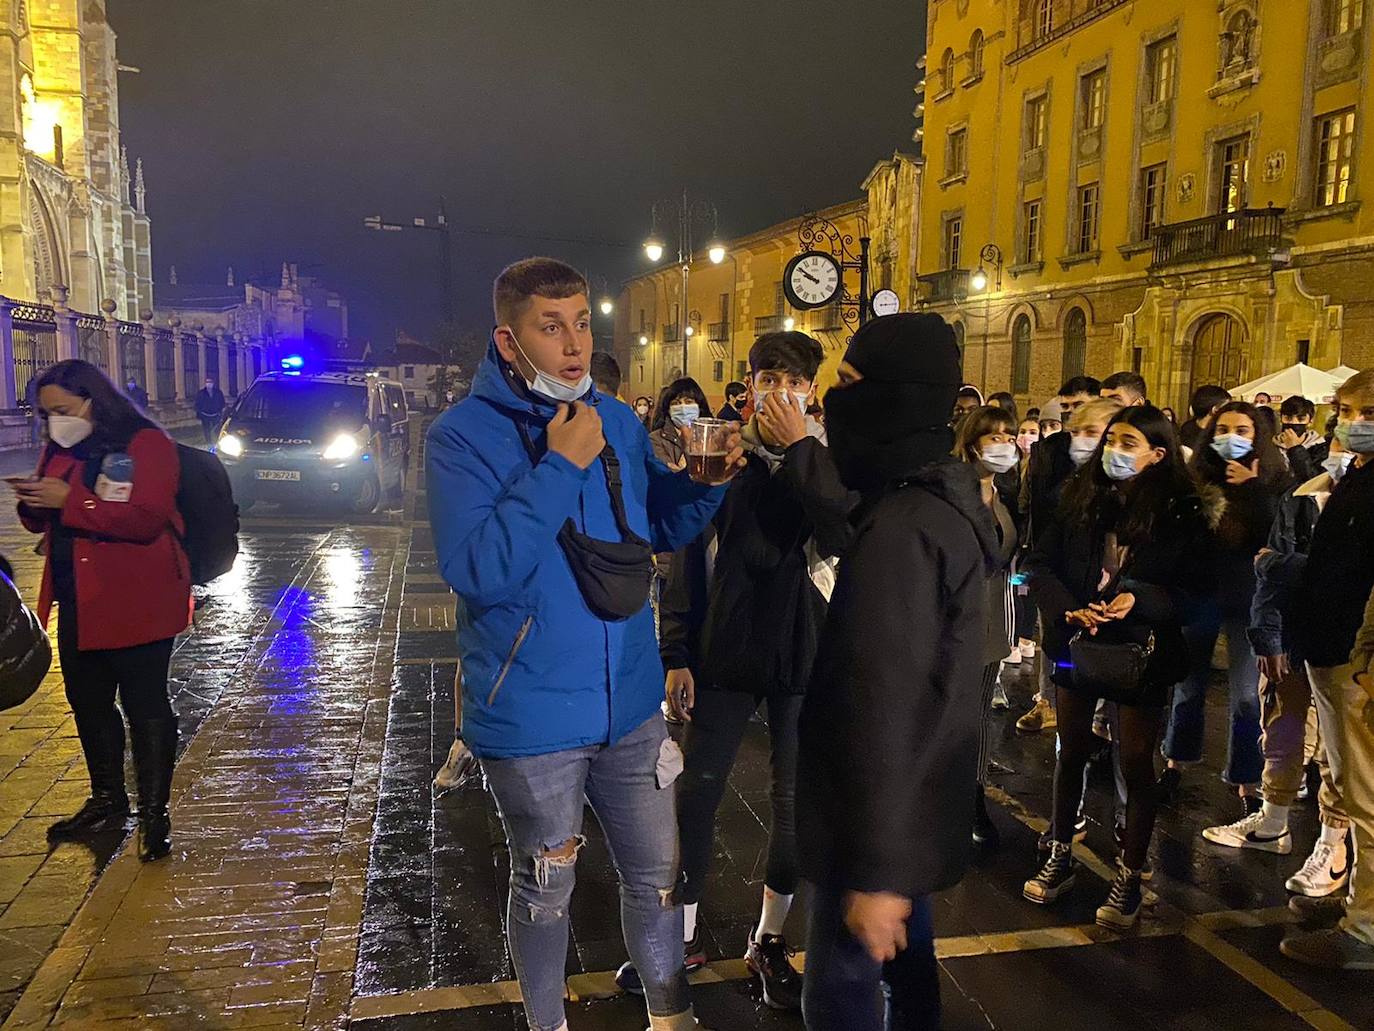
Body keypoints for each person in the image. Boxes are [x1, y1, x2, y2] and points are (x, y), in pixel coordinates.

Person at [426, 258, 741, 1031]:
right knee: (545, 886)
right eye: (550, 326)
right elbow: (479, 568)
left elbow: (656, 529)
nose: (572, 345)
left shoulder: (618, 420)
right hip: (531, 715)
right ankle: (547, 1024)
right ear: (509, 339)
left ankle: (670, 1015)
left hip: (632, 706)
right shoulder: (459, 437)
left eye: (581, 325)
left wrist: (706, 483)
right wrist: (559, 466)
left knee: (657, 876)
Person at [621, 331, 852, 1011]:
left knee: (791, 804)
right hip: (725, 651)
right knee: (696, 794)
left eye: (792, 379)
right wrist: (675, 653)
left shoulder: (827, 463)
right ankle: (681, 937)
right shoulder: (723, 453)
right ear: (748, 385)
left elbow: (843, 531)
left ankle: (770, 940)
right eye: (765, 377)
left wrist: (802, 453)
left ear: (810, 391)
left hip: (803, 657)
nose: (777, 390)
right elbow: (685, 556)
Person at [798, 313, 997, 1031]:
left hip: (873, 831)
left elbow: (884, 702)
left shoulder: (905, 529)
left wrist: (878, 872)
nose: (831, 400)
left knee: (842, 997)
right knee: (908, 985)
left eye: (848, 384)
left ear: (895, 397)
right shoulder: (934, 501)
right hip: (908, 821)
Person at [1023, 405, 1208, 929]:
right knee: (1071, 748)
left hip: (1141, 651)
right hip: (1074, 639)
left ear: (1158, 454)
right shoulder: (1076, 496)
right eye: (1111, 439)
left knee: (1134, 761)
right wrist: (1065, 607)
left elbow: (1194, 596)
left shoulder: (1181, 512)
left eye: (1129, 443)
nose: (1114, 451)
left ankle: (1128, 873)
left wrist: (1139, 601)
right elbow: (1038, 564)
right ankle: (1060, 852)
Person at [9, 359, 189, 863]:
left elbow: (146, 518)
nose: (54, 423)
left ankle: (155, 815)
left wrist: (73, 501)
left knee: (144, 704)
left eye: (62, 410)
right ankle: (108, 801)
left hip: (138, 596)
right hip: (79, 597)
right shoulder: (61, 446)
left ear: (92, 399)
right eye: (46, 415)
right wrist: (35, 500)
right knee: (87, 701)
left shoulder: (144, 443)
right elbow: (42, 518)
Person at [1202, 436, 1352, 896]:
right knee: (1283, 726)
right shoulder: (1303, 495)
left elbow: (1346, 571)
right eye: (1344, 422)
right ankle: (1273, 822)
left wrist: (1279, 566)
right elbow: (1268, 568)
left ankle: (1334, 845)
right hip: (1296, 631)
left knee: (1338, 748)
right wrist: (1267, 632)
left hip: (1351, 644)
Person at [1281, 369, 1374, 969]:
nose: (1345, 422)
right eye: (1341, 409)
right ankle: (1354, 899)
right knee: (1347, 783)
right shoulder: (1360, 475)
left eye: (1357, 410)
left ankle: (1366, 929)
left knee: (1367, 796)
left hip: (1355, 659)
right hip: (1334, 650)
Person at [1162, 402, 1292, 808]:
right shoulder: (1196, 478)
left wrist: (1251, 488)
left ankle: (1247, 781)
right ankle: (1175, 763)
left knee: (1247, 695)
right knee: (1189, 685)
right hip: (1201, 594)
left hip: (1249, 599)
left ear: (1258, 436)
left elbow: (1277, 538)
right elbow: (1184, 536)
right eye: (1223, 428)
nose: (1232, 437)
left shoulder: (1275, 479)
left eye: (1243, 429)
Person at [953, 406, 1019, 850]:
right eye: (992, 437)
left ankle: (972, 794)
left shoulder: (1004, 493)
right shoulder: (953, 494)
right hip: (954, 620)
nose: (1003, 445)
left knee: (977, 717)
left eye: (1008, 436)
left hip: (992, 619)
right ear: (971, 442)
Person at [648, 378, 711, 470]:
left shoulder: (709, 437)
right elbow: (665, 473)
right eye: (676, 403)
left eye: (688, 402)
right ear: (668, 409)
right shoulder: (656, 439)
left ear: (699, 406)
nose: (683, 407)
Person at [1277, 395, 1328, 481]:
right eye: (1288, 418)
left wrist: (1295, 449)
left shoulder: (1321, 448)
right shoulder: (1269, 446)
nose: (1294, 422)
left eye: (1301, 419)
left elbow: (1314, 481)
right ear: (1281, 418)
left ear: (1310, 421)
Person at [1179, 384, 1230, 451]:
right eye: (1227, 407)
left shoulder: (1186, 428)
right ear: (1215, 409)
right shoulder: (1214, 437)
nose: (1230, 411)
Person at [195, 376, 225, 447]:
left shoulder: (218, 392)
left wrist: (219, 410)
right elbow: (197, 403)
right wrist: (200, 411)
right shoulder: (201, 393)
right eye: (207, 382)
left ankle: (217, 441)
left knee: (217, 428)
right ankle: (208, 442)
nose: (209, 384)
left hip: (215, 414)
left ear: (213, 383)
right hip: (205, 414)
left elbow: (222, 402)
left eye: (210, 382)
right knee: (206, 429)